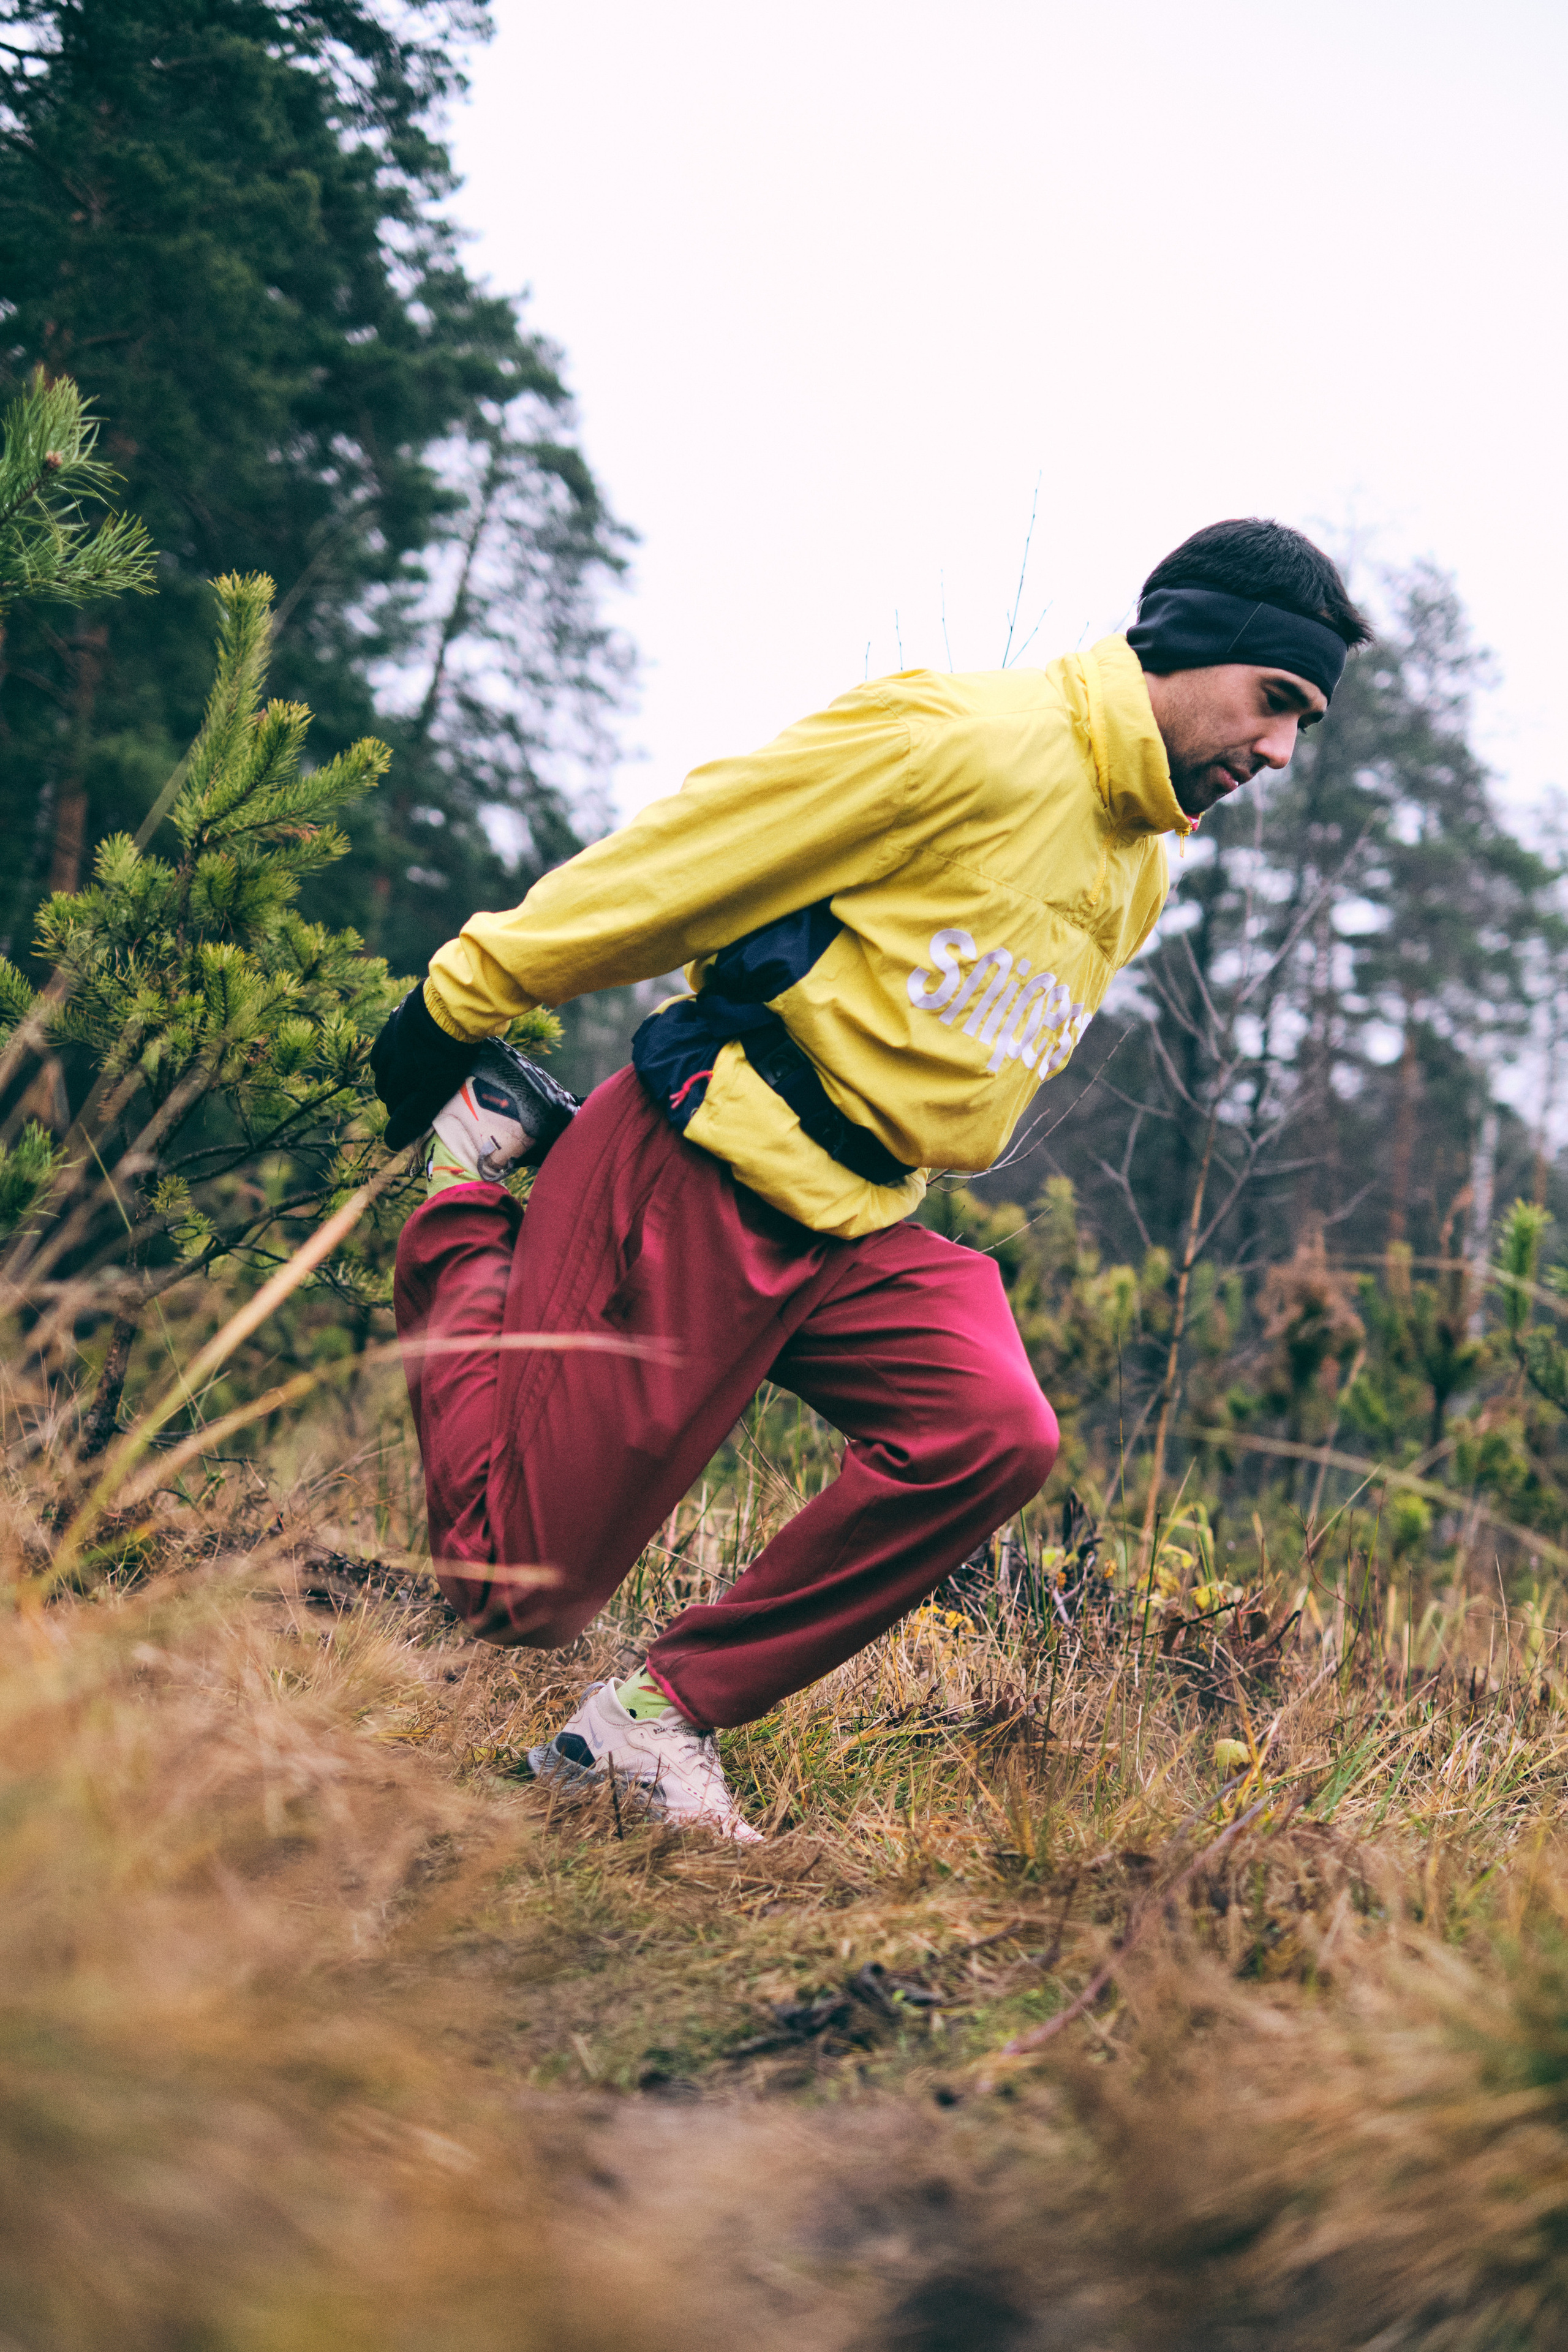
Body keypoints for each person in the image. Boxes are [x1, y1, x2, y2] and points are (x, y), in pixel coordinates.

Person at [371, 516, 1370, 1841]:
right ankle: (469, 1178)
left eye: (1304, 724)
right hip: (704, 1163)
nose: (1278, 751)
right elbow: (686, 859)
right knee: (517, 1594)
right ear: (1192, 646)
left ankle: (650, 1724)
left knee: (992, 1430)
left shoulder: (1138, 864)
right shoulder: (954, 735)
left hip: (860, 1221)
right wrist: (466, 992)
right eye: (1275, 701)